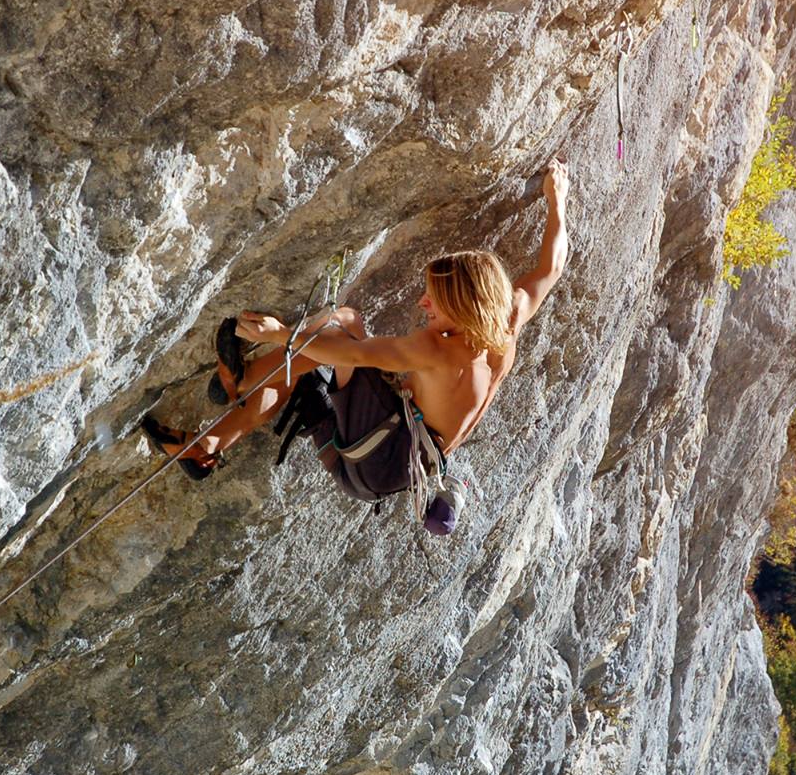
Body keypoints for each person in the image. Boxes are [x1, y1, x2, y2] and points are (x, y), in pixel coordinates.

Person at [142, 156, 570, 525]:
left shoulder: (439, 351)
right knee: (309, 377)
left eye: (434, 300)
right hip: (385, 470)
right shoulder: (507, 320)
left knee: (342, 326)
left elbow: (352, 350)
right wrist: (558, 201)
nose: (423, 304)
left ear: (462, 306)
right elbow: (551, 266)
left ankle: (244, 377)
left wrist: (280, 333)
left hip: (380, 452)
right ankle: (210, 445)